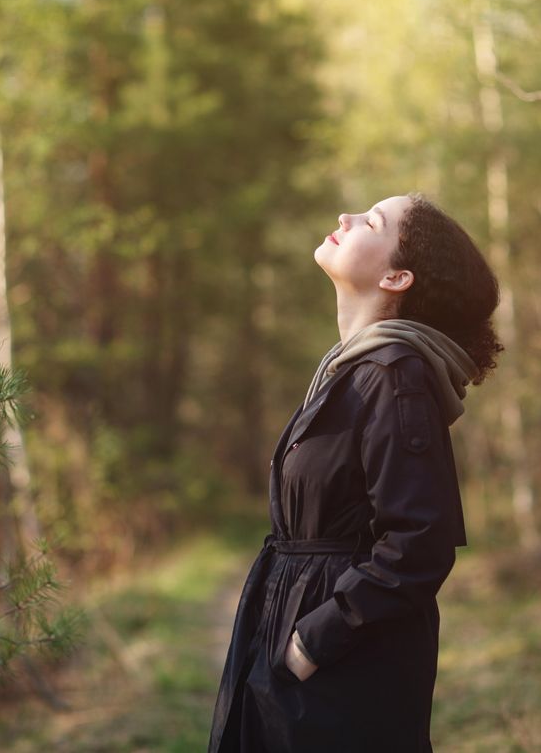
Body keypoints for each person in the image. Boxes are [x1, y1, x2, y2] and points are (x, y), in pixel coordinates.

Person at [207, 193, 502, 752]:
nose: (345, 218)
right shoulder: (351, 371)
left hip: (344, 664)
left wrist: (314, 641)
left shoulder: (396, 377)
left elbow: (420, 543)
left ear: (397, 276)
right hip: (299, 631)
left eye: (372, 222)